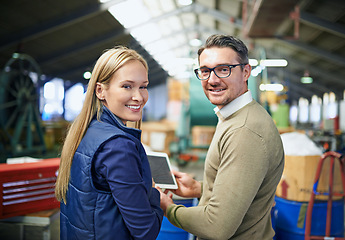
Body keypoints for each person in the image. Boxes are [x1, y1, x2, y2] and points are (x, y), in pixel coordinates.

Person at [159, 34, 285, 239]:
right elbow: (245, 193)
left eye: (223, 69)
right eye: (205, 71)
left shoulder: (245, 131)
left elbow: (216, 226)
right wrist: (201, 188)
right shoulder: (234, 117)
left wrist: (169, 208)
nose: (213, 80)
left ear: (246, 72)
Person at [55, 46, 163, 240]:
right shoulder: (118, 146)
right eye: (127, 86)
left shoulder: (86, 130)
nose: (139, 97)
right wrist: (155, 195)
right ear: (100, 90)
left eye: (143, 86)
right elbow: (146, 231)